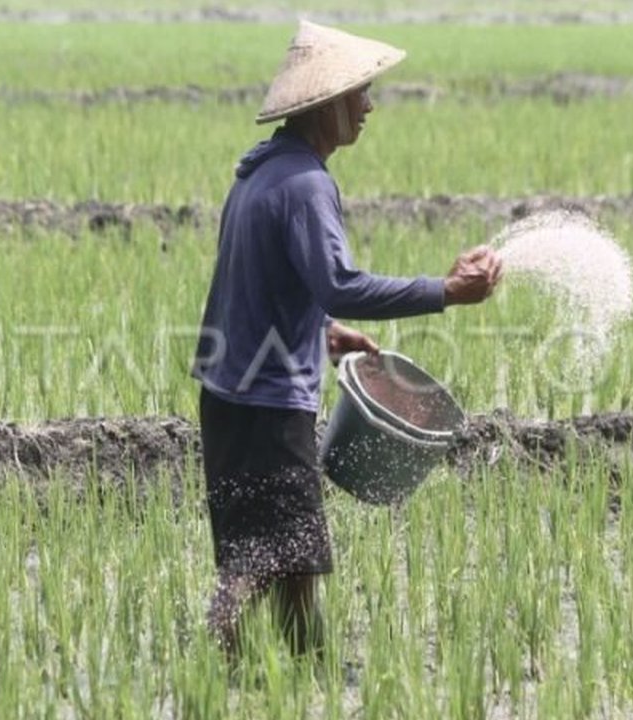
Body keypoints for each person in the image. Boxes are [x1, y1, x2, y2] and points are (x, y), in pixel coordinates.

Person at [191, 21, 503, 661]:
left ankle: (306, 677)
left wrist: (325, 334)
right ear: (325, 104)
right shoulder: (307, 184)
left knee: (296, 555)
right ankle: (208, 668)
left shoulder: (259, 174)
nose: (368, 106)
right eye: (359, 93)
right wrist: (446, 291)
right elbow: (340, 284)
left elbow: (259, 281)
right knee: (257, 561)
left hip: (233, 395)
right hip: (268, 404)